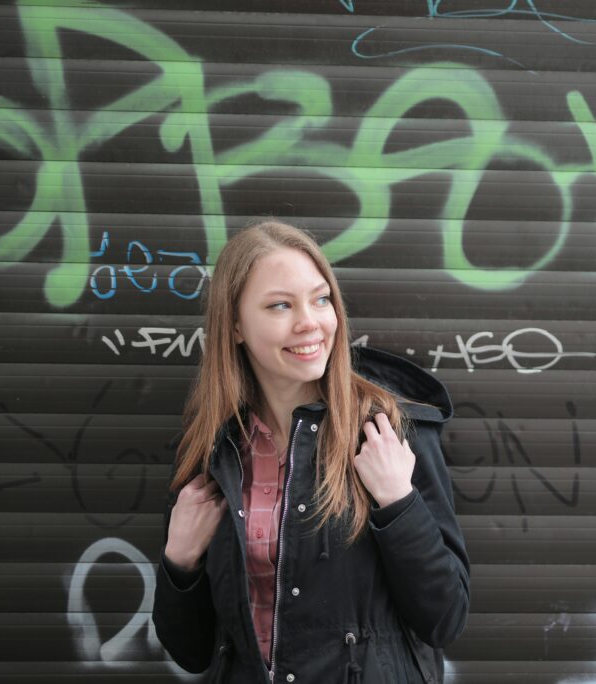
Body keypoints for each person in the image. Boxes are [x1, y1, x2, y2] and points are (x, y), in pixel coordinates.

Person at [152, 220, 469, 683]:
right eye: (280, 305)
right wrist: (180, 560)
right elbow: (192, 652)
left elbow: (445, 618)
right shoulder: (214, 454)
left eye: (321, 299)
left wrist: (399, 503)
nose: (310, 322)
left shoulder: (388, 431)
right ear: (236, 325)